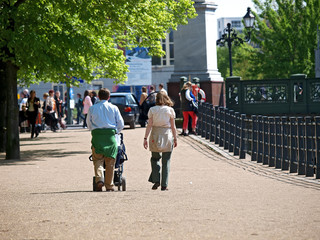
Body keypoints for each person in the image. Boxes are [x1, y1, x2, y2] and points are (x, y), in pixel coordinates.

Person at [87, 88, 124, 192]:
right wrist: (116, 131)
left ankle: (99, 179)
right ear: (109, 97)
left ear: (98, 97)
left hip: (97, 136)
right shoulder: (114, 108)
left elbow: (89, 124)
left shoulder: (92, 108)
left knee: (97, 159)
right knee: (110, 162)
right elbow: (121, 124)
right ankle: (109, 185)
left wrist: (94, 130)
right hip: (110, 136)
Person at [143, 91, 177, 191]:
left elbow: (149, 125)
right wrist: (175, 138)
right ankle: (164, 184)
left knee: (154, 159)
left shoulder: (152, 110)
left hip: (155, 134)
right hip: (167, 134)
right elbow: (173, 126)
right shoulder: (170, 110)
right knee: (166, 161)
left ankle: (156, 179)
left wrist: (145, 138)